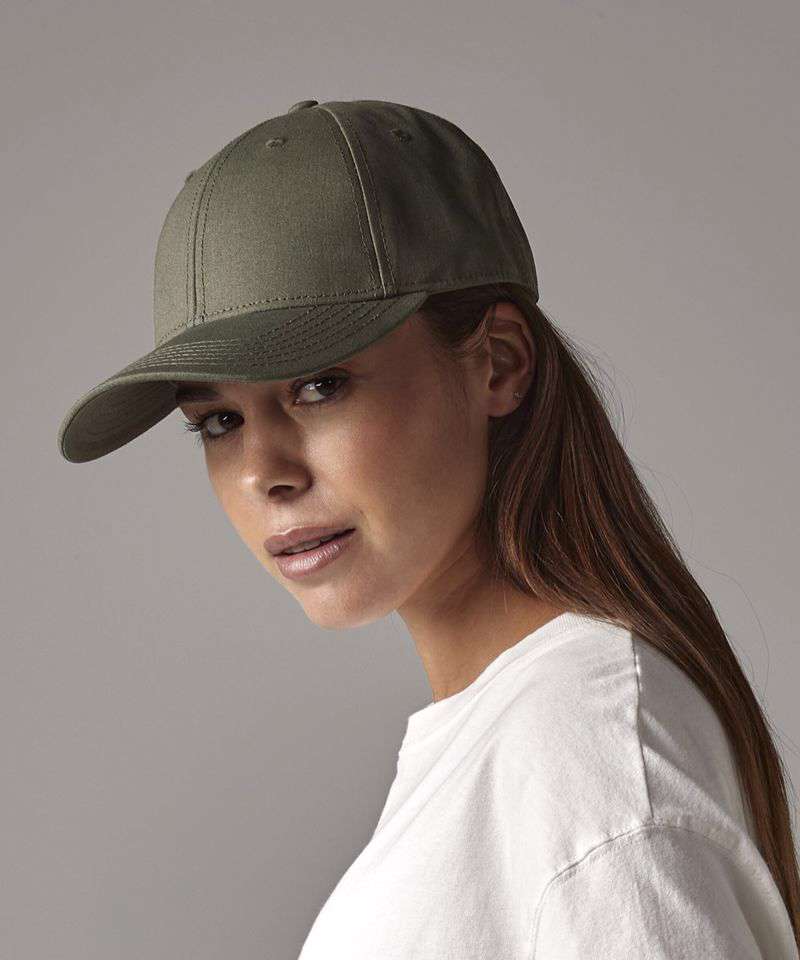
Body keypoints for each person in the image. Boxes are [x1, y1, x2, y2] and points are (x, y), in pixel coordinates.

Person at [56, 98, 800, 958]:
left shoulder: (582, 759)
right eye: (218, 422)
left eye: (319, 386)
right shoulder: (519, 743)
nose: (265, 472)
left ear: (499, 363)